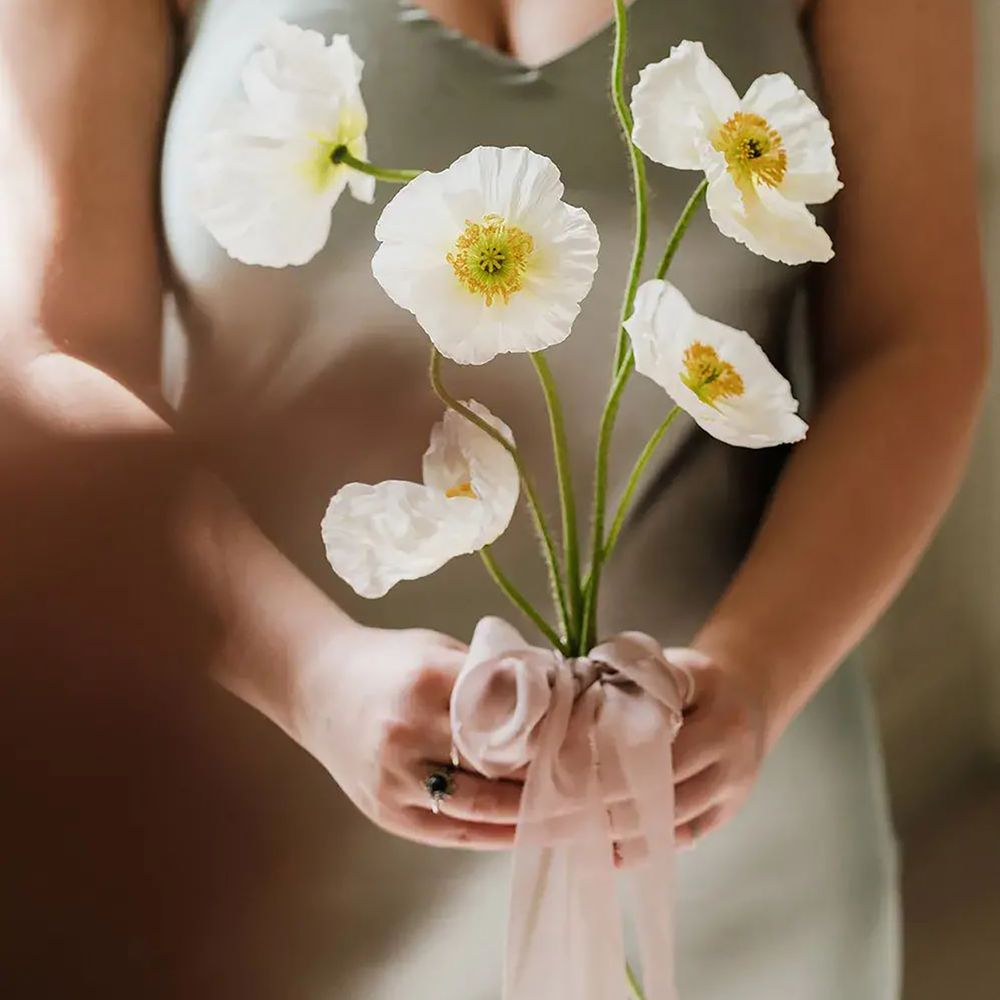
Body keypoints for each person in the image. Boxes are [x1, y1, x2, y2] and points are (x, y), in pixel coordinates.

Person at [1, 0, 987, 997]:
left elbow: (913, 335)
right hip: (275, 842)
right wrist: (308, 672)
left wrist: (758, 673)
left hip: (726, 810)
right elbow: (55, 354)